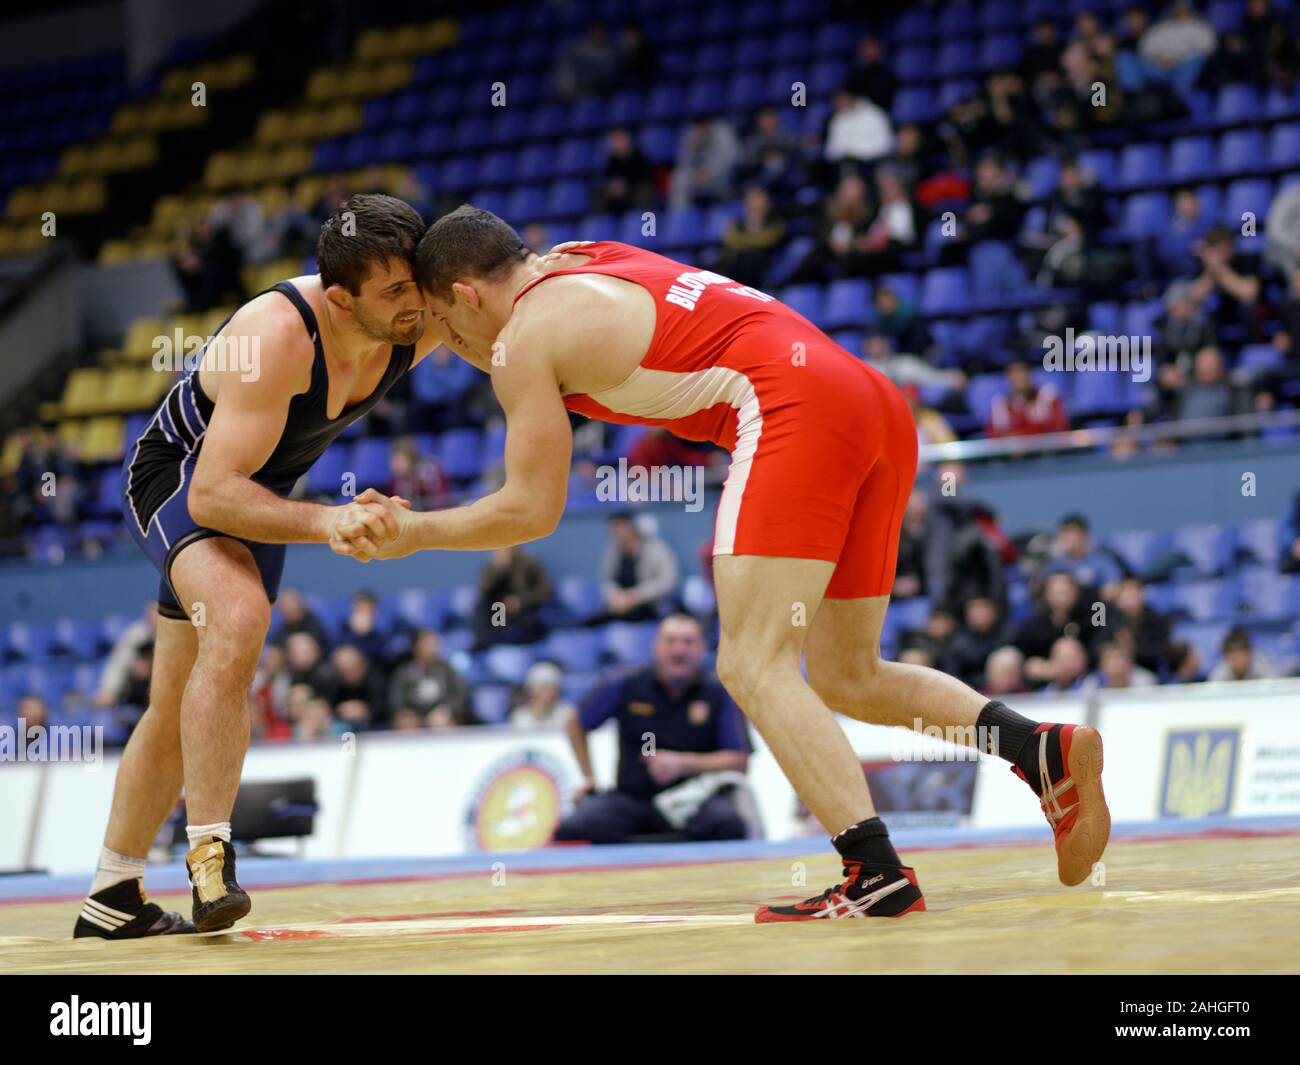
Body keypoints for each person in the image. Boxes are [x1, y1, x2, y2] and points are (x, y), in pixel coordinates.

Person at [338, 208, 1111, 921]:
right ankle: (1038, 750)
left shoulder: (521, 340)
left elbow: (532, 510)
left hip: (793, 409)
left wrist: (415, 530)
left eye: (444, 326)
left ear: (467, 295)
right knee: (846, 672)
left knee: (750, 661)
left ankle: (874, 872)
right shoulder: (582, 257)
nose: (456, 351)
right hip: (874, 404)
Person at [77, 194, 476, 939]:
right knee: (240, 615)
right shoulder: (275, 335)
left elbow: (497, 307)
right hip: (183, 483)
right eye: (394, 293)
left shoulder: (410, 318)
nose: (415, 304)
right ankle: (209, 857)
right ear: (338, 299)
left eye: (416, 283)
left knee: (173, 711)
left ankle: (113, 896)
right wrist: (331, 519)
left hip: (254, 494)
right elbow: (213, 490)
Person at [553, 614, 751, 843]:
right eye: (671, 641)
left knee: (729, 824)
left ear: (701, 649)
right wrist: (589, 776)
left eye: (688, 642)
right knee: (574, 827)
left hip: (693, 800)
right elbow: (576, 722)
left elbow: (739, 760)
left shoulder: (718, 692)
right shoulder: (625, 685)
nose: (679, 649)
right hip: (632, 798)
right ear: (656, 646)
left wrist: (682, 764)